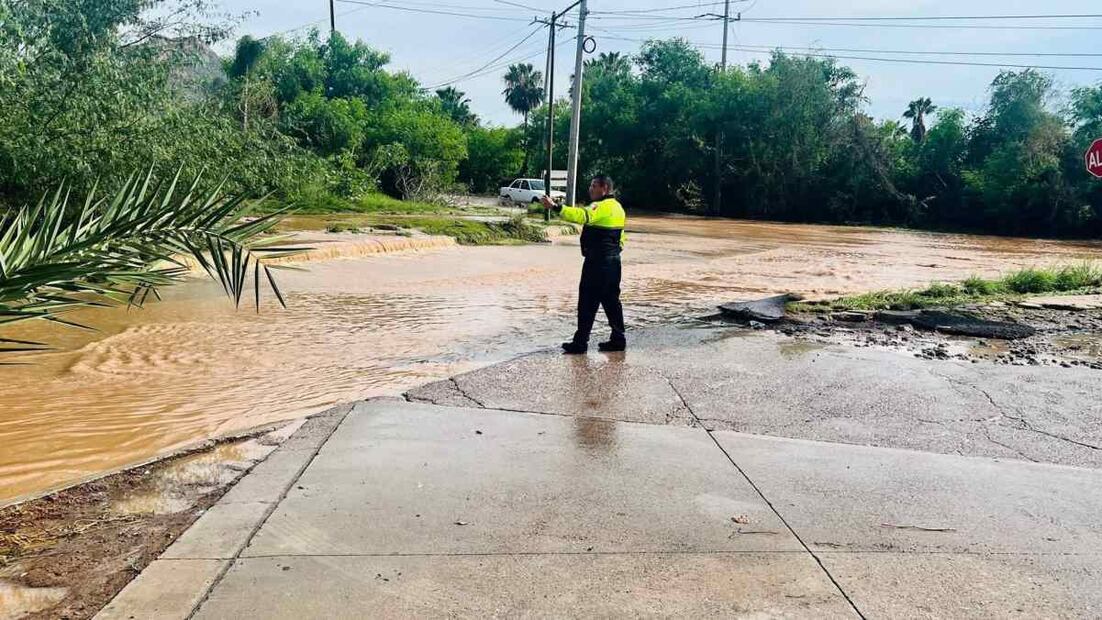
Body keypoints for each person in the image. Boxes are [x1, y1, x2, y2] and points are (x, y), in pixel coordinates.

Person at [541, 175, 627, 354]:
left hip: (597, 263)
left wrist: (556, 207)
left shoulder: (600, 206)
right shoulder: (618, 208)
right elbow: (622, 238)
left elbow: (582, 215)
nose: (590, 189)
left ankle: (580, 343)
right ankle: (618, 339)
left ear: (604, 188)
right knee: (611, 302)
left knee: (587, 301)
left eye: (593, 185)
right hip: (613, 262)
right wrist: (614, 253)